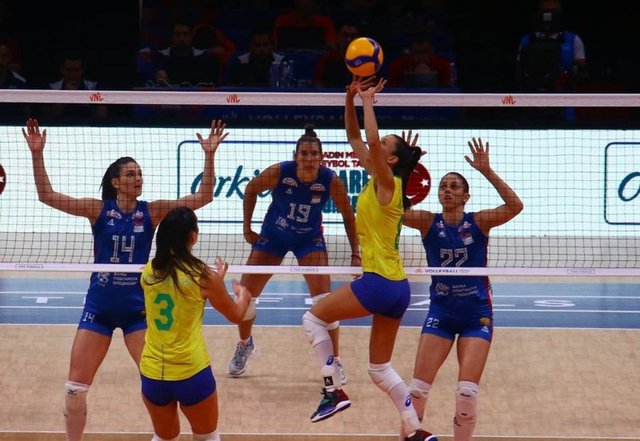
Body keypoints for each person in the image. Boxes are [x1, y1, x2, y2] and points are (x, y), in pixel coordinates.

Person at [22, 117, 228, 441]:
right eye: (131, 174)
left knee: (158, 381)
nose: (138, 178)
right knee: (74, 389)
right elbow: (47, 195)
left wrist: (210, 155)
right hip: (99, 310)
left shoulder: (152, 211)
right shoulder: (98, 210)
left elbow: (203, 196)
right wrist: (37, 153)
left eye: (140, 173)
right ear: (116, 182)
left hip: (138, 312)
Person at [301, 76, 437, 441]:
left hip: (378, 282)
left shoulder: (388, 183)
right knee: (379, 369)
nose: (376, 145)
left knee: (313, 318)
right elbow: (354, 138)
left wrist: (368, 101)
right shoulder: (381, 179)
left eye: (385, 146)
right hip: (398, 288)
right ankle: (416, 430)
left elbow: (371, 141)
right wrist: (349, 99)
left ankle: (333, 391)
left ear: (390, 159)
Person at [403, 137, 523, 441]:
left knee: (467, 394)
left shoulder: (479, 222)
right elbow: (392, 210)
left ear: (466, 196)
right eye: (444, 186)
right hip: (441, 312)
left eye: (455, 186)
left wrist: (487, 171)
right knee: (417, 391)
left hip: (476, 314)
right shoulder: (427, 222)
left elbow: (515, 206)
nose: (448, 190)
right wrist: (405, 168)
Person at [227, 124, 360, 381]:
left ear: (321, 157)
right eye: (304, 154)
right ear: (295, 156)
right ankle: (245, 344)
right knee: (245, 297)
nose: (309, 158)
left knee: (325, 301)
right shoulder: (280, 172)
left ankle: (335, 360)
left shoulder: (330, 180)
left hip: (308, 240)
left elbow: (348, 216)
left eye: (314, 154)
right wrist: (246, 228)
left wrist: (356, 253)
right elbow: (251, 188)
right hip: (273, 236)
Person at [140, 206, 251, 441]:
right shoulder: (203, 276)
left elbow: (177, 289)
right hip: (190, 372)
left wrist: (215, 283)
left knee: (164, 437)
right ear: (193, 236)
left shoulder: (149, 271)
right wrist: (243, 295)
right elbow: (237, 315)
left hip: (153, 373)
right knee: (207, 436)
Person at [45, 52, 108, 120]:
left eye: (77, 70)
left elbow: (102, 116)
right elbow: (46, 116)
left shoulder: (94, 87)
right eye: (69, 70)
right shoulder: (52, 88)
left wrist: (85, 99)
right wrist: (65, 96)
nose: (73, 74)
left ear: (82, 70)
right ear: (62, 69)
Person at [387, 31, 452, 88]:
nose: (421, 56)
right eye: (417, 52)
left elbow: (448, 88)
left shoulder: (443, 64)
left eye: (425, 51)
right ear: (411, 51)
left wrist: (429, 77)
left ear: (432, 51)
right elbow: (391, 89)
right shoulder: (398, 65)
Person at [311, 20, 360, 88]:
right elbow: (316, 82)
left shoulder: (365, 60)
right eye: (345, 35)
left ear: (358, 38)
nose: (348, 39)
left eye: (353, 36)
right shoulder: (327, 58)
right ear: (338, 36)